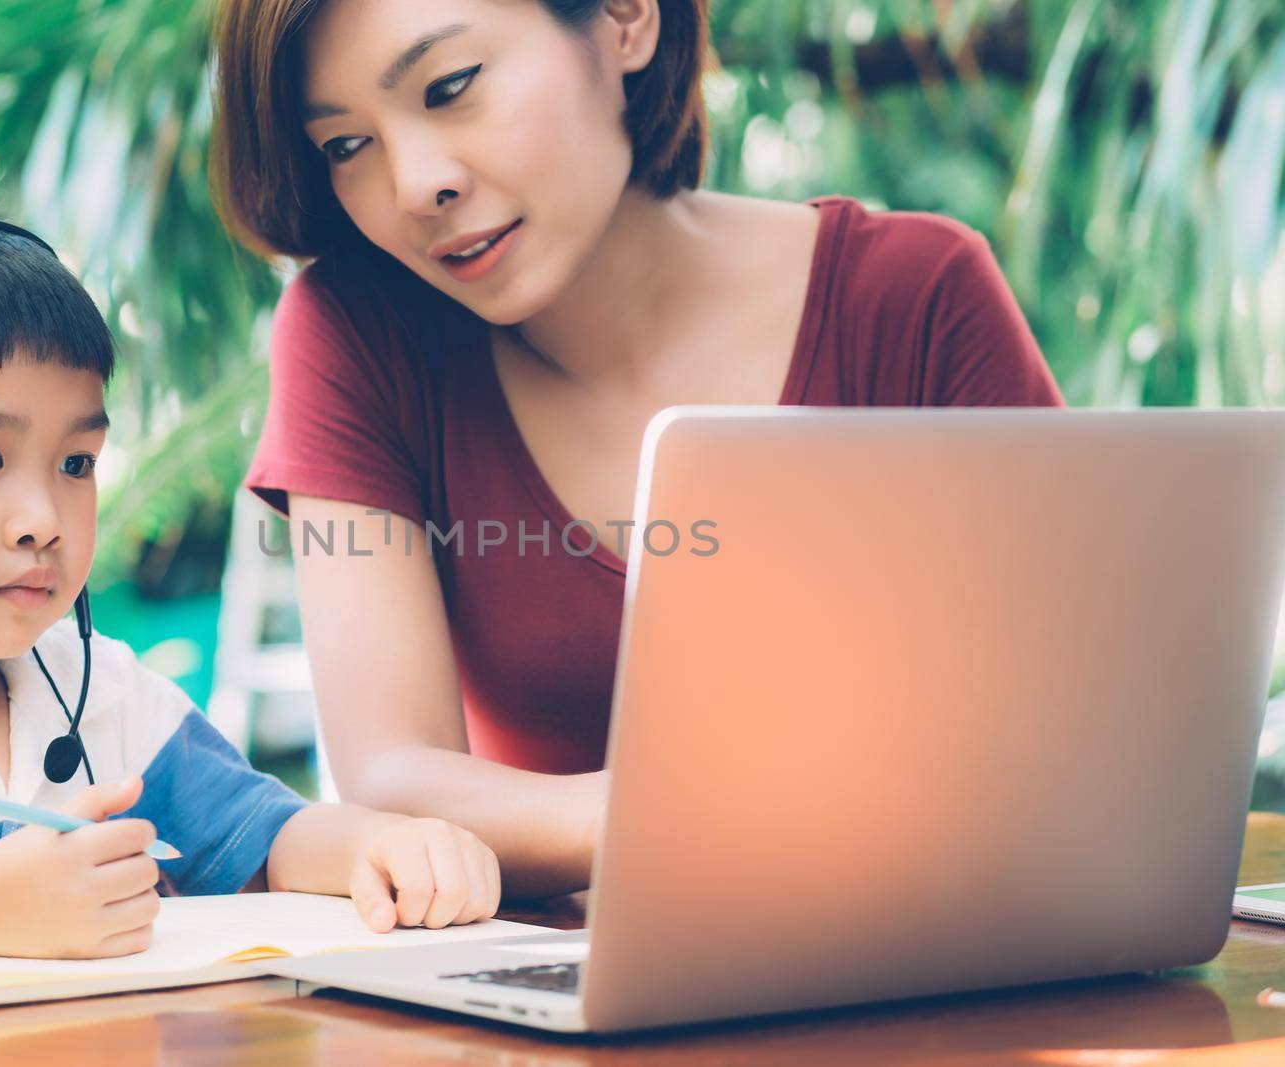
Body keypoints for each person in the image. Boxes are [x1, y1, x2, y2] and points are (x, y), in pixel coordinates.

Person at [210, 0, 1066, 897]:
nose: (415, 184)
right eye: (346, 146)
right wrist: (713, 817)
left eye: (451, 87)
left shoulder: (917, 300)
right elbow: (392, 777)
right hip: (557, 1010)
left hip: (949, 968)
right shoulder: (360, 333)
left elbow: (1075, 722)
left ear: (624, 19)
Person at [0, 161, 500, 972]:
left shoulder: (107, 700)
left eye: (76, 463)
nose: (44, 519)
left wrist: (383, 843)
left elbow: (268, 836)